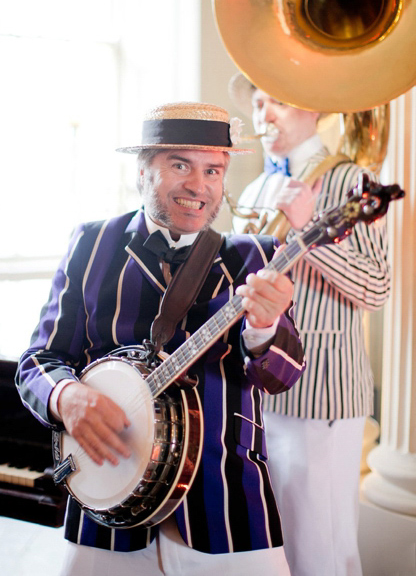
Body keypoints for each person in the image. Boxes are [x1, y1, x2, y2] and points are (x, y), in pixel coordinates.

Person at [16, 102, 305, 576]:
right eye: (179, 165)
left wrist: (265, 328)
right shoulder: (90, 244)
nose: (198, 185)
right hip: (105, 508)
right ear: (143, 171)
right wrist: (66, 397)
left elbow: (284, 375)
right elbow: (37, 360)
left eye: (213, 169)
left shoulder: (258, 256)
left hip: (227, 505)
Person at [228, 74, 391, 576]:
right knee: (274, 547)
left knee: (321, 546)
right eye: (258, 103)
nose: (264, 114)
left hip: (324, 392)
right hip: (258, 393)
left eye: (277, 100)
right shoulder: (255, 185)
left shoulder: (352, 181)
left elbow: (376, 286)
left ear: (314, 107)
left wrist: (304, 228)